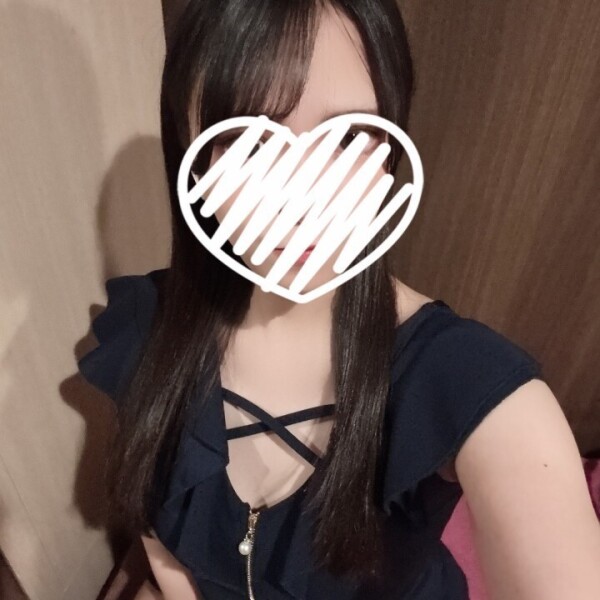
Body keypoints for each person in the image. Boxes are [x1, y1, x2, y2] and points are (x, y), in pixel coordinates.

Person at [78, 1, 600, 598]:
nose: (300, 198)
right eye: (248, 140)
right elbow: (156, 529)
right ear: (190, 155)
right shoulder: (148, 327)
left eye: (350, 136)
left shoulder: (462, 381)